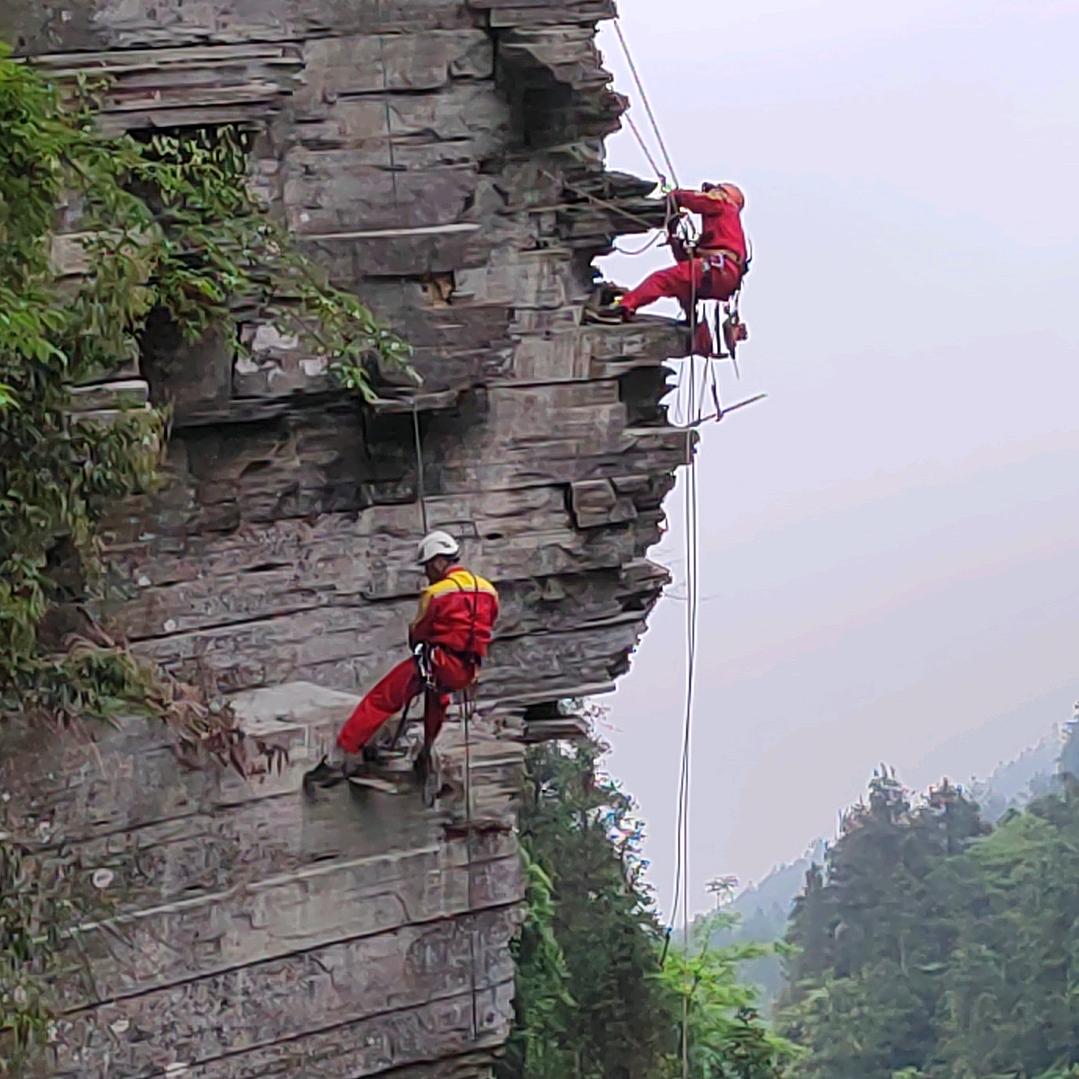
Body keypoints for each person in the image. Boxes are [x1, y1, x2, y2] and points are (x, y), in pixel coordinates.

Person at [333, 530, 499, 773]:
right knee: (437, 697)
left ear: (439, 562)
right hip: (468, 669)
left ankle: (342, 750)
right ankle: (427, 750)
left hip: (439, 662)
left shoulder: (436, 593)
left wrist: (419, 641)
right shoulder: (488, 590)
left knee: (383, 697)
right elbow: (489, 622)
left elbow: (420, 631)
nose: (427, 574)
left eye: (428, 567)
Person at [592, 182, 748, 353]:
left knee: (661, 280)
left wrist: (676, 196)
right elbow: (684, 262)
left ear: (725, 194)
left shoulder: (724, 205)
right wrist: (675, 238)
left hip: (716, 269)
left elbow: (695, 200)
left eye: (715, 190)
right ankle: (695, 330)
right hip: (721, 277)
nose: (711, 193)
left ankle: (623, 307)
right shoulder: (726, 231)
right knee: (682, 286)